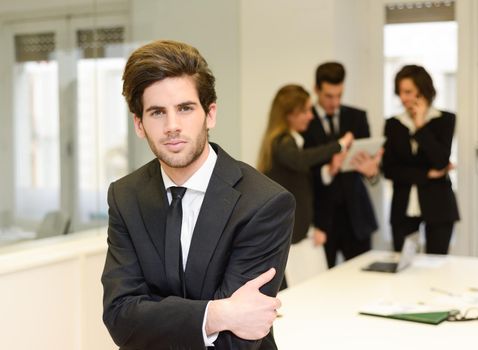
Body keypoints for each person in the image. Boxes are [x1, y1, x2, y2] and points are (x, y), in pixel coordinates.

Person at [101, 40, 295, 350]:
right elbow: (120, 317)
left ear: (210, 114)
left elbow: (238, 340)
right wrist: (218, 313)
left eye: (185, 108)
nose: (172, 126)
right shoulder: (125, 196)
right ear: (139, 124)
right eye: (156, 113)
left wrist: (156, 317)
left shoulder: (264, 202)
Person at [257, 84, 353, 287]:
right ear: (289, 115)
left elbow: (300, 186)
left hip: (299, 232)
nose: (310, 116)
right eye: (305, 111)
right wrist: (339, 145)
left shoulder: (288, 142)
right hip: (289, 236)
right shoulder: (282, 143)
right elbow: (301, 161)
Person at [302, 62, 381, 268]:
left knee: (363, 281)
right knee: (322, 285)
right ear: (316, 89)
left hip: (356, 216)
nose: (335, 102)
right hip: (321, 218)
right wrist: (328, 170)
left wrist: (372, 172)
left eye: (339, 95)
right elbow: (302, 172)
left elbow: (367, 163)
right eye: (329, 96)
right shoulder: (304, 121)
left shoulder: (357, 117)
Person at [382, 64, 460, 254]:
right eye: (400, 92)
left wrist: (420, 126)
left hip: (439, 205)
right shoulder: (393, 124)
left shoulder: (445, 120)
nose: (403, 98)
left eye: (408, 92)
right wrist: (426, 174)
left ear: (423, 91)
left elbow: (441, 160)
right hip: (403, 206)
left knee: (437, 264)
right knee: (403, 266)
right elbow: (390, 169)